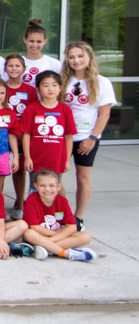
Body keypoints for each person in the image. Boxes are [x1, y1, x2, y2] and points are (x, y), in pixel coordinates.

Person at [60, 41, 116, 228]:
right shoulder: (63, 81)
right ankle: (63, 212)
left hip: (86, 137)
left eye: (80, 56)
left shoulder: (101, 82)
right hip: (63, 137)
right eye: (71, 57)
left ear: (89, 58)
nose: (76, 60)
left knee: (82, 178)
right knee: (55, 177)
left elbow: (104, 113)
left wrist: (92, 138)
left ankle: (78, 217)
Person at [21, 170, 96, 261]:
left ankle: (46, 248)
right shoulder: (32, 200)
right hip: (40, 236)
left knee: (85, 237)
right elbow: (34, 227)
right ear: (36, 186)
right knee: (29, 233)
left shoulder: (62, 201)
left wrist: (51, 240)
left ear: (58, 187)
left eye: (51, 185)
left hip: (52, 239)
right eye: (42, 185)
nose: (47, 189)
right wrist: (56, 234)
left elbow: (72, 227)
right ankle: (67, 254)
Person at [21, 71, 76, 179]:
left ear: (60, 88)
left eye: (54, 85)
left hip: (57, 159)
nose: (50, 89)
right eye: (45, 85)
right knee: (35, 188)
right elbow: (26, 135)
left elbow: (69, 137)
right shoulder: (31, 109)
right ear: (38, 89)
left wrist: (67, 160)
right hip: (36, 159)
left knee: (54, 187)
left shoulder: (65, 110)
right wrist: (27, 158)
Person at [4, 53, 38, 220]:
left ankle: (20, 202)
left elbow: (32, 114)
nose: (14, 69)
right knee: (1, 169)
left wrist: (22, 134)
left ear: (24, 69)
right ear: (5, 69)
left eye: (17, 66)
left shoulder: (29, 90)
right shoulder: (1, 87)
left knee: (20, 169)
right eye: (11, 65)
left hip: (21, 135)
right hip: (2, 135)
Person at [20, 18, 61, 85]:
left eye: (39, 41)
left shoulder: (54, 64)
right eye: (31, 41)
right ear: (25, 39)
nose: (35, 45)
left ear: (45, 41)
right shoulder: (17, 63)